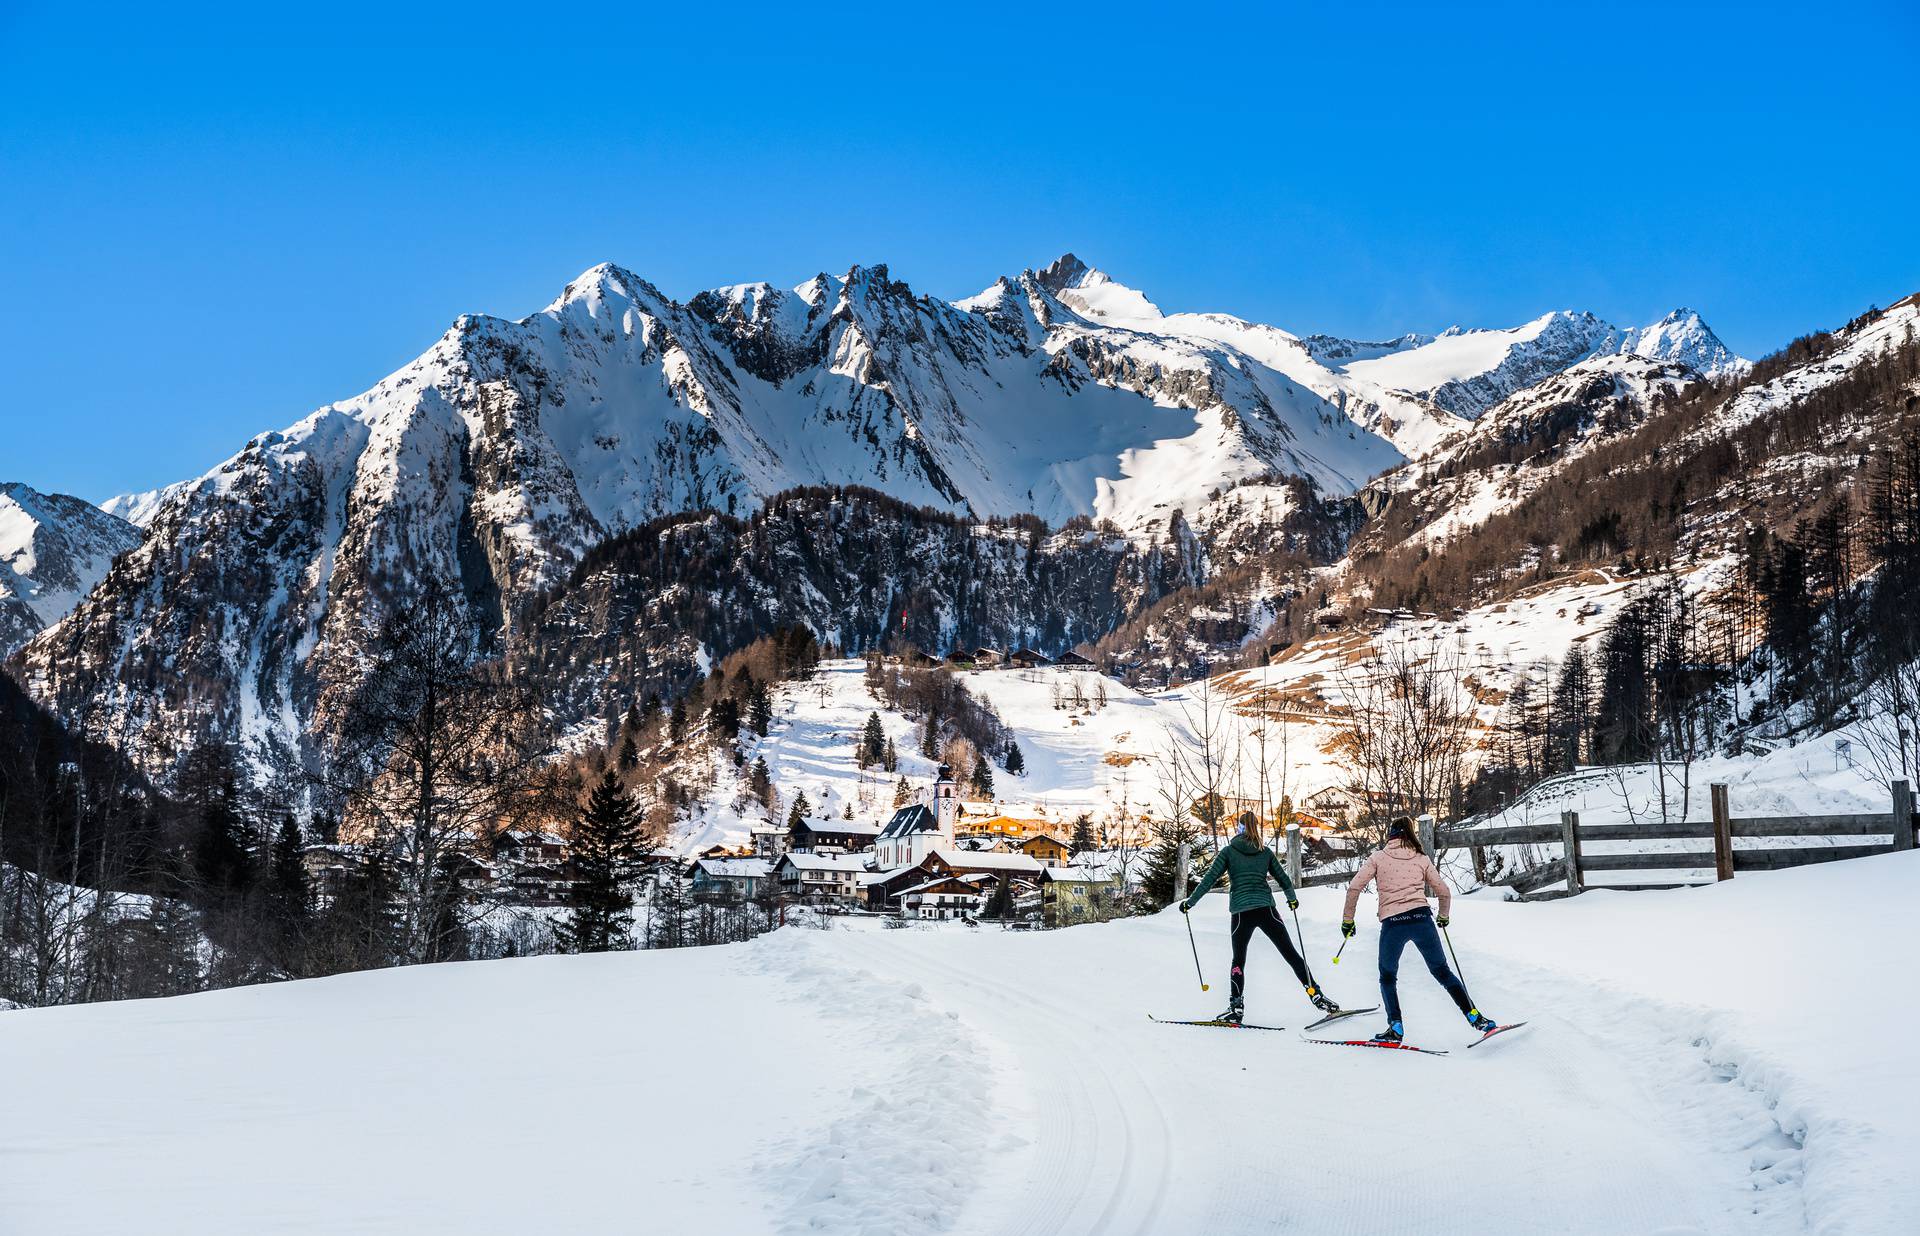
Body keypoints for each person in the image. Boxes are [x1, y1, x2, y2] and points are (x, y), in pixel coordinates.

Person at [1341, 815, 1496, 1043]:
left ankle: (1395, 1027)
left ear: (1390, 835)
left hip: (1393, 924)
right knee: (1443, 972)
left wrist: (1348, 921)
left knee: (1387, 976)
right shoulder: (1421, 858)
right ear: (1410, 834)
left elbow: (1354, 888)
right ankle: (1476, 1018)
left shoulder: (1378, 858)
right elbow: (1443, 891)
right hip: (1422, 920)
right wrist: (1443, 916)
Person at [1180, 811, 1339, 1025]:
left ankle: (1236, 1008)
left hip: (1241, 912)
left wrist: (1190, 902)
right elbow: (1283, 878)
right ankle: (1318, 997)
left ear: (1240, 829)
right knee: (1291, 954)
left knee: (1239, 960)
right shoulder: (1264, 852)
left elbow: (1209, 879)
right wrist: (1291, 899)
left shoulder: (1229, 851)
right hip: (1266, 909)